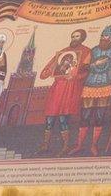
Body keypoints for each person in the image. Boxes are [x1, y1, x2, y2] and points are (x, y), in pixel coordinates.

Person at [72, 25, 111, 156]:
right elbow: (84, 67)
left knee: (99, 116)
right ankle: (79, 145)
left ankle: (94, 145)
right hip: (89, 86)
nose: (103, 38)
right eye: (102, 35)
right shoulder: (94, 50)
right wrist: (93, 65)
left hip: (106, 86)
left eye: (106, 36)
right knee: (85, 116)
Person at [37, 28, 91, 156]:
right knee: (49, 119)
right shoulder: (62, 52)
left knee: (63, 119)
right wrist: (50, 70)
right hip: (57, 90)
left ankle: (65, 146)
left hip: (70, 89)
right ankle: (45, 144)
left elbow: (87, 72)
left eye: (77, 36)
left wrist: (76, 77)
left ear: (82, 38)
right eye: (73, 36)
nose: (74, 39)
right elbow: (44, 73)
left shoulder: (87, 52)